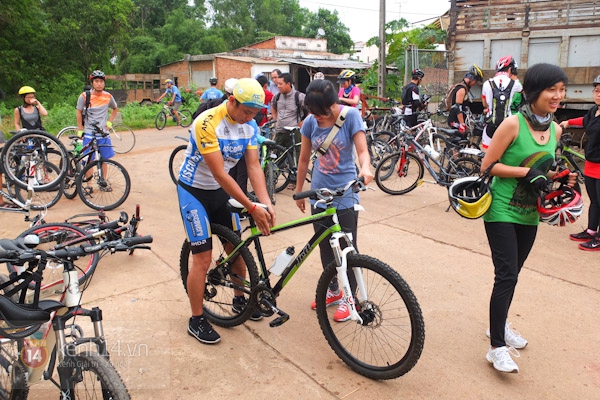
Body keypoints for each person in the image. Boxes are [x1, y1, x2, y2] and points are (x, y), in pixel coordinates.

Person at [480, 63, 576, 373]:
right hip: (501, 209)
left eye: (561, 90)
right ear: (534, 92)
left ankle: (500, 324)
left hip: (529, 214)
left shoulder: (555, 129)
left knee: (513, 274)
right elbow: (487, 167)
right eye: (552, 89)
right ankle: (496, 347)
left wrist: (559, 178)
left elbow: (542, 169)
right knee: (506, 275)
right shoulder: (511, 125)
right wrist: (526, 172)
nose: (558, 96)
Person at [177, 78, 276, 344]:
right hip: (194, 191)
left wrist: (264, 203)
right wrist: (251, 206)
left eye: (255, 114)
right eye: (246, 112)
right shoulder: (207, 122)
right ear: (231, 100)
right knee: (202, 258)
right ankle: (196, 319)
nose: (250, 118)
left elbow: (253, 166)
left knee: (237, 252)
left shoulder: (250, 125)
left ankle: (239, 300)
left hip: (221, 192)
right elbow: (220, 173)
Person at [295, 79, 374, 322]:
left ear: (333, 104)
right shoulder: (310, 122)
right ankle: (332, 291)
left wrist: (366, 168)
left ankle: (350, 299)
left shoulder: (350, 117)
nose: (317, 117)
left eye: (321, 113)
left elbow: (362, 150)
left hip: (345, 192)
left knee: (347, 247)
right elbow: (304, 159)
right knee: (324, 245)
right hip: (318, 194)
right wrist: (299, 191)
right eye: (312, 112)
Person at [559, 75, 600, 251]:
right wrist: (567, 122)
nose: (598, 94)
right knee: (595, 201)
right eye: (597, 91)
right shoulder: (593, 111)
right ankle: (591, 231)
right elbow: (583, 121)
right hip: (592, 163)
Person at [271, 72, 307, 190]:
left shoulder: (299, 96)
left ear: (288, 84)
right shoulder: (277, 97)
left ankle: (293, 180)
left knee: (295, 156)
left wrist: (303, 122)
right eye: (277, 84)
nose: (278, 86)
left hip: (294, 132)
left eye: (281, 84)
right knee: (276, 155)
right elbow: (273, 107)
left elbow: (310, 109)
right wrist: (275, 120)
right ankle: (272, 178)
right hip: (280, 131)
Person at [481, 56, 523, 150]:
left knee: (487, 153)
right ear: (511, 69)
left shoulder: (487, 83)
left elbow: (484, 104)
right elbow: (523, 91)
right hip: (507, 124)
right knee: (506, 152)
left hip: (491, 124)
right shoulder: (515, 84)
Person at [447, 64, 484, 134]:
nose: (475, 84)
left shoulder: (465, 88)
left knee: (462, 141)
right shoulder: (461, 89)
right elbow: (458, 107)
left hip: (458, 120)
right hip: (455, 121)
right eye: (475, 81)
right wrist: (462, 124)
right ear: (471, 78)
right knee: (459, 142)